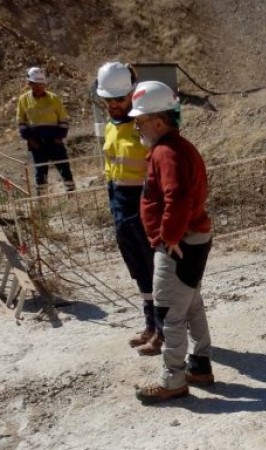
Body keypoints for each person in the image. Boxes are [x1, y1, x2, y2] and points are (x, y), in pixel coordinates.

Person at [130, 81, 215, 404]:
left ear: (158, 122)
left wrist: (169, 237)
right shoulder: (180, 148)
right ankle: (200, 365)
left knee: (169, 312)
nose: (137, 127)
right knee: (191, 302)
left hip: (180, 242)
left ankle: (173, 380)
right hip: (192, 237)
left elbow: (176, 196)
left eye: (140, 121)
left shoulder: (167, 153)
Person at [95, 62, 162, 356]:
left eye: (118, 100)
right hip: (120, 207)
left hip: (144, 205)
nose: (113, 105)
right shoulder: (110, 126)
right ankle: (150, 324)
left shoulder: (144, 124)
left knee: (156, 270)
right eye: (108, 100)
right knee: (139, 271)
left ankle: (164, 329)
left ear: (131, 94)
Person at [16, 66, 76, 194]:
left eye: (40, 84)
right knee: (40, 172)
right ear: (29, 83)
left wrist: (59, 137)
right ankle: (42, 200)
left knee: (64, 168)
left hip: (55, 141)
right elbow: (21, 122)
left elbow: (63, 119)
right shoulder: (23, 100)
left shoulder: (54, 98)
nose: (38, 87)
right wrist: (30, 140)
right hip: (36, 143)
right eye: (35, 84)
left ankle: (72, 195)